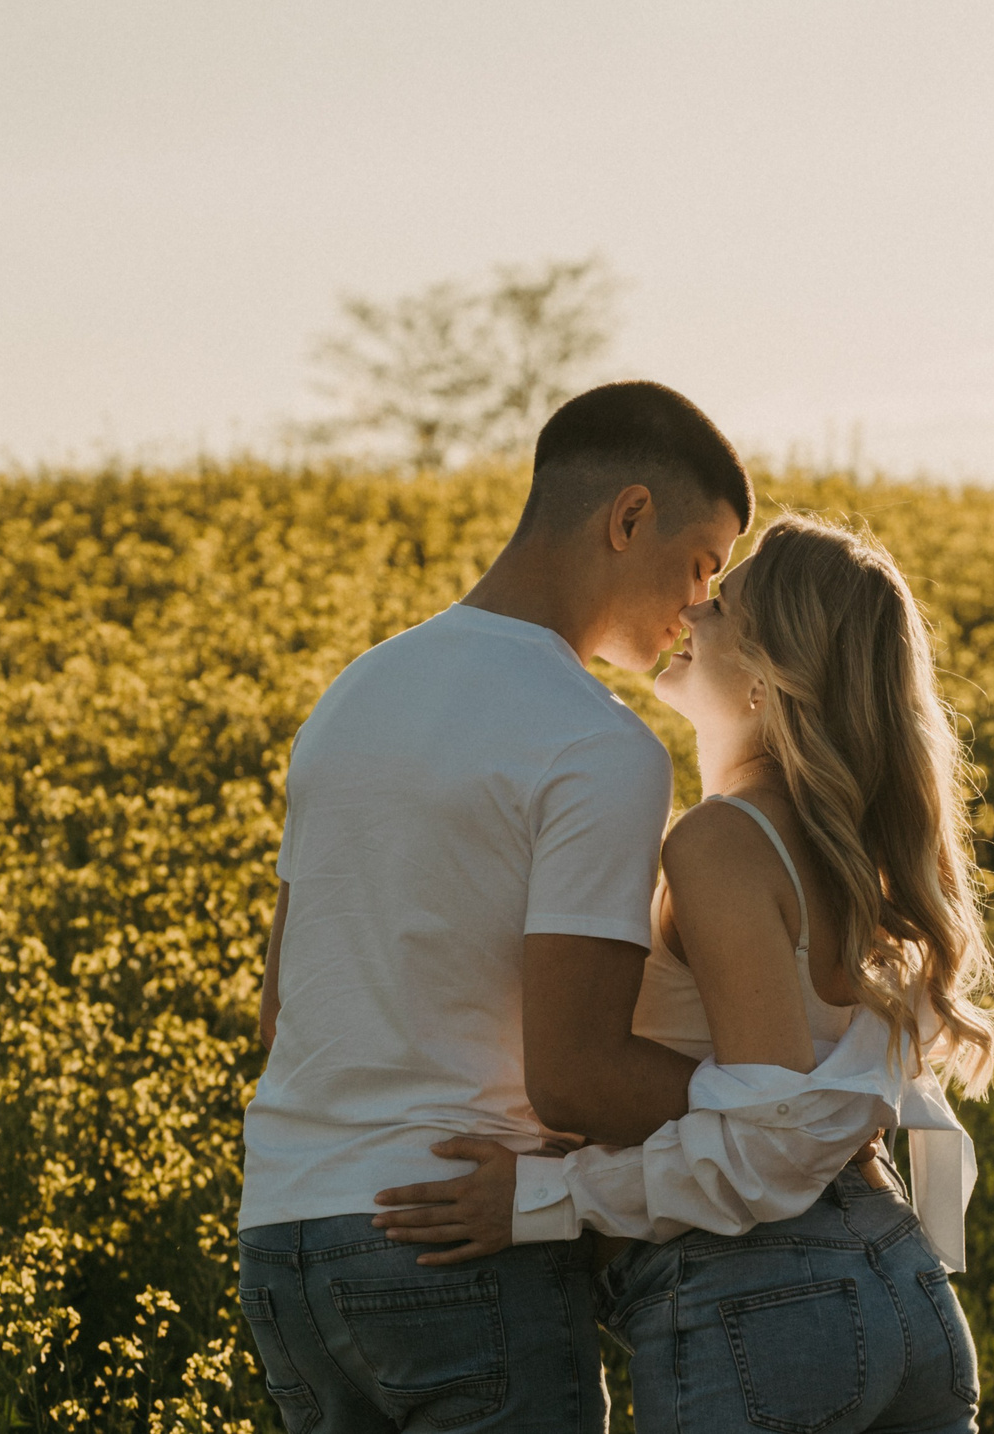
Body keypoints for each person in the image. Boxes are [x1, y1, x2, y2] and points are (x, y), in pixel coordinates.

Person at [371, 515, 994, 1434]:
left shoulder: (724, 841)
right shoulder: (854, 853)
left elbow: (764, 1142)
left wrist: (543, 1201)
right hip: (907, 1297)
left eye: (725, 602)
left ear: (767, 671)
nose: (692, 606)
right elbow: (880, 1125)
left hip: (760, 1301)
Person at [235, 381, 751, 1433]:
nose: (702, 605)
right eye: (702, 563)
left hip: (286, 1238)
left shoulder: (353, 693)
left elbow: (278, 1014)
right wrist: (778, 1103)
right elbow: (574, 1075)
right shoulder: (595, 743)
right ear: (628, 516)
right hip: (454, 1240)